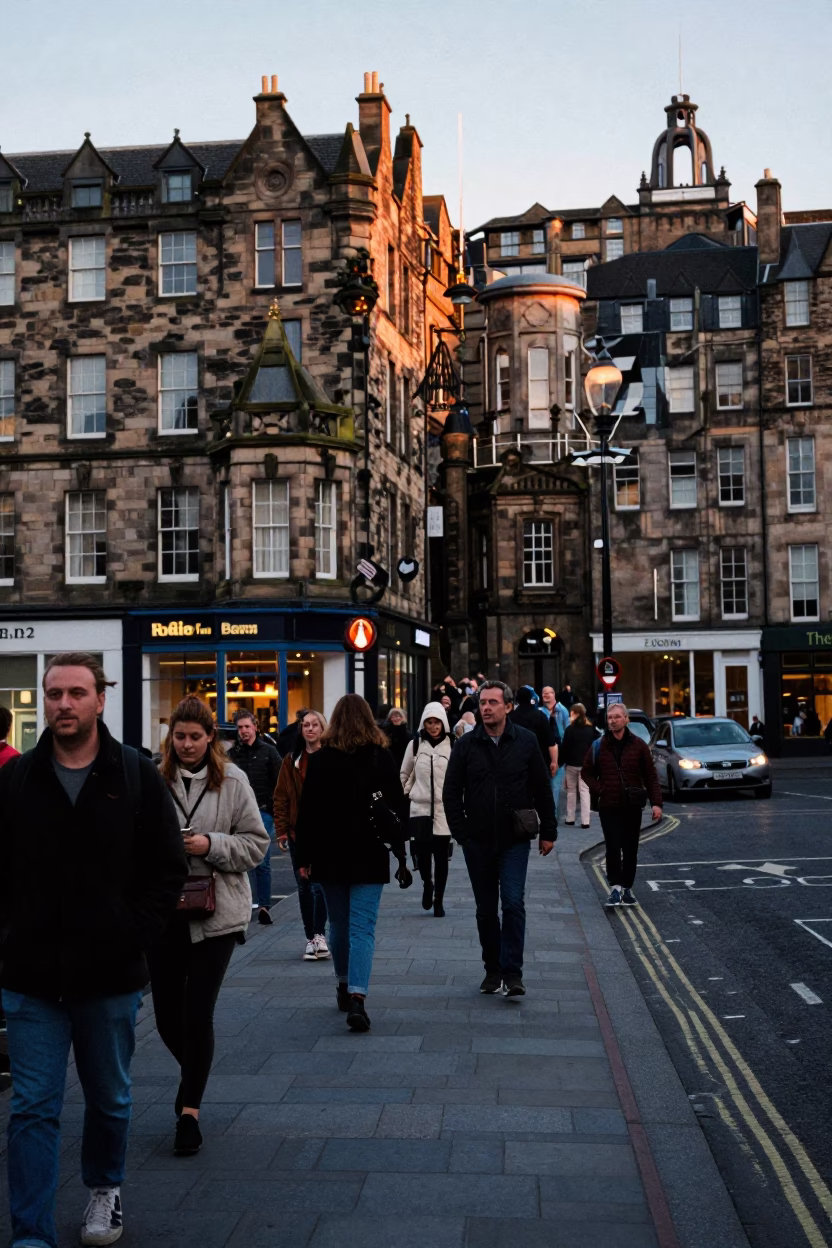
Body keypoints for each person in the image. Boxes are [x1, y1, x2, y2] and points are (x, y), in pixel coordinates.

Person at [0, 652, 186, 1248]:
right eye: (54, 694)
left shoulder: (133, 774)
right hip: (30, 976)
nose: (63, 704)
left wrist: (134, 934)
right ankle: (30, 1231)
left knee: (109, 1098)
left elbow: (167, 869)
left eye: (76, 693)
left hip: (109, 976)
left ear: (100, 700)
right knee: (31, 1107)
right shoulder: (16, 780)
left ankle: (104, 1188)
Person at [150, 696, 269, 1157]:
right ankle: (193, 1075)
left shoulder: (233, 781)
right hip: (164, 913)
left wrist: (208, 843)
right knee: (164, 1017)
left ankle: (190, 1113)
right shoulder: (155, 781)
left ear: (209, 738)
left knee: (197, 1013)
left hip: (216, 914)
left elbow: (255, 845)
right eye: (179, 736)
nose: (186, 745)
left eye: (195, 737)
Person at [294, 694, 408, 1033]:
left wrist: (304, 858)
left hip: (330, 854)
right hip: (370, 852)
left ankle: (344, 983)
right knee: (363, 929)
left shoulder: (323, 759)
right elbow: (397, 807)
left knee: (339, 926)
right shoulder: (381, 756)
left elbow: (308, 812)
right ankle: (358, 997)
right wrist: (401, 850)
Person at [444, 680, 557, 998]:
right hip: (477, 840)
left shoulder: (526, 741)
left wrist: (549, 831)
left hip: (514, 839)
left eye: (493, 702)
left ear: (508, 707)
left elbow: (540, 787)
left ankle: (513, 973)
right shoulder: (466, 745)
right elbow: (451, 792)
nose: (487, 707)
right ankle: (492, 970)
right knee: (485, 909)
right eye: (482, 703)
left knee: (513, 903)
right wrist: (461, 832)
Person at [581, 703, 662, 909]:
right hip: (609, 805)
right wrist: (600, 789)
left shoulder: (639, 746)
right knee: (612, 847)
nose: (613, 720)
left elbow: (650, 776)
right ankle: (615, 888)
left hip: (632, 806)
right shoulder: (599, 745)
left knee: (631, 848)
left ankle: (627, 887)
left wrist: (656, 804)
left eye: (617, 717)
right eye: (610, 717)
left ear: (626, 719)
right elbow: (586, 772)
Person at [274, 709, 330, 961]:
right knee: (304, 886)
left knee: (320, 886)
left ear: (322, 728)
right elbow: (281, 797)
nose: (309, 729)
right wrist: (281, 831)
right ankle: (310, 937)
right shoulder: (291, 760)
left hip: (324, 833)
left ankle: (320, 934)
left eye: (314, 724)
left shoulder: (331, 757)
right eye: (305, 725)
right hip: (298, 833)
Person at [229, 709, 282, 926]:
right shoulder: (232, 755)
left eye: (247, 727)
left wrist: (273, 807)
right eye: (240, 727)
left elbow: (280, 782)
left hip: (262, 811)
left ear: (255, 727)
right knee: (240, 860)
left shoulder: (269, 752)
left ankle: (263, 906)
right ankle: (246, 904)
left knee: (262, 859)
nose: (243, 731)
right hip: (238, 813)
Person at [400, 702, 453, 918]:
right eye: (429, 722)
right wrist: (407, 792)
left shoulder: (453, 745)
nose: (433, 727)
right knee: (422, 856)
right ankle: (427, 883)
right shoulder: (415, 745)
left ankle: (439, 899)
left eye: (437, 722)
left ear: (443, 723)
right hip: (419, 809)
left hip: (443, 810)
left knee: (441, 858)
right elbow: (404, 773)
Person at [560, 703, 596, 827]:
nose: (570, 716)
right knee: (584, 791)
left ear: (575, 714)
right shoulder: (590, 730)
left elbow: (564, 748)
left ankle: (570, 818)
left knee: (571, 791)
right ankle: (585, 821)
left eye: (571, 714)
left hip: (571, 764)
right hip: (585, 765)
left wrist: (560, 762)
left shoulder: (570, 730)